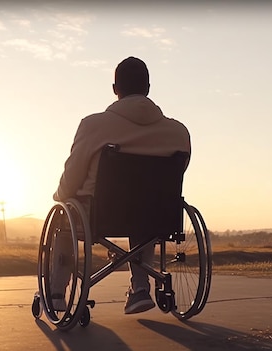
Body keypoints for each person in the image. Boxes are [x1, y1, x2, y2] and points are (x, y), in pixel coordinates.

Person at [52, 56, 191, 314]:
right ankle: (140, 288)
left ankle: (57, 293)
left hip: (99, 214)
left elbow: (72, 178)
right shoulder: (178, 132)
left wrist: (60, 195)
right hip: (156, 214)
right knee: (147, 207)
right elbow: (179, 172)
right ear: (148, 88)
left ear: (115, 89)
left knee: (64, 213)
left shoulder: (94, 125)